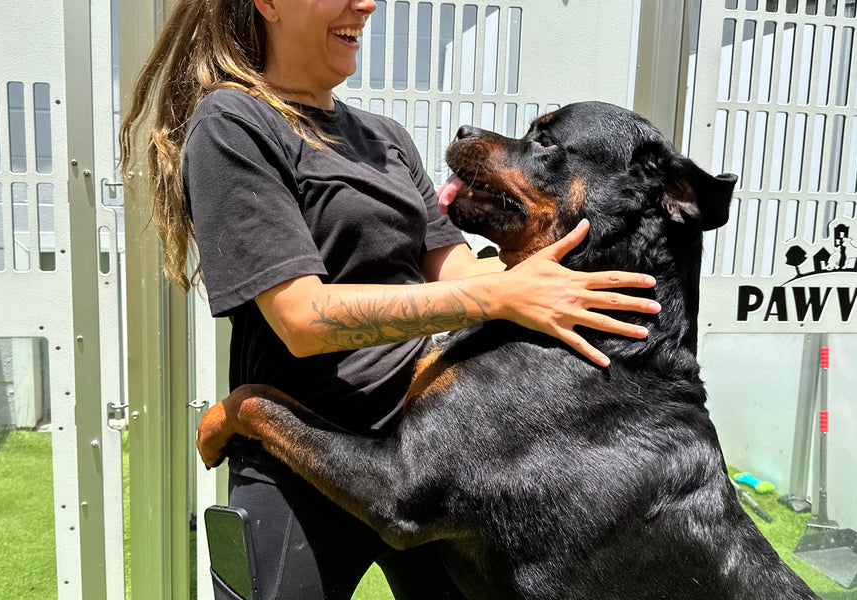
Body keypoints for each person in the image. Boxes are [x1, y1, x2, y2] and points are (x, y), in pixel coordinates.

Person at [120, 0, 660, 598]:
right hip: (300, 472)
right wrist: (502, 294)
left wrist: (550, 274)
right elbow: (302, 318)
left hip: (428, 459)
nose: (367, 4)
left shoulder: (386, 139)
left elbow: (453, 272)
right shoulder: (234, 124)